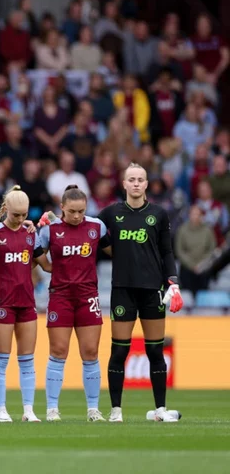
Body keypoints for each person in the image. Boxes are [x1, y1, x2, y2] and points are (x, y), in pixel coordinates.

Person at [97, 163, 183, 422]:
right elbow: (91, 235)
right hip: (122, 289)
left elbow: (167, 251)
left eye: (140, 179)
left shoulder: (158, 214)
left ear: (146, 184)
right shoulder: (111, 213)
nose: (136, 183)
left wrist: (173, 282)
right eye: (131, 179)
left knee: (155, 351)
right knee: (119, 351)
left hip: (152, 290)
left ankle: (160, 410)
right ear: (123, 184)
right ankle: (116, 411)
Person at [35, 185, 112, 422]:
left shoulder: (97, 227)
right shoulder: (51, 230)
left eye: (81, 211)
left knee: (90, 352)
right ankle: (52, 409)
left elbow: (113, 251)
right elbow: (37, 252)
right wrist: (47, 267)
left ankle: (93, 409)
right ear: (62, 208)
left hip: (88, 296)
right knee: (58, 352)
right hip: (60, 296)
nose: (77, 216)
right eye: (72, 211)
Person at [0, 185, 43, 422]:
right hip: (2, 302)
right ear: (6, 209)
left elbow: (44, 262)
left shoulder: (31, 233)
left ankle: (28, 411)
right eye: (16, 215)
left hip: (26, 301)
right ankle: (1, 410)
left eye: (24, 215)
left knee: (27, 358)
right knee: (1, 357)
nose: (20, 219)